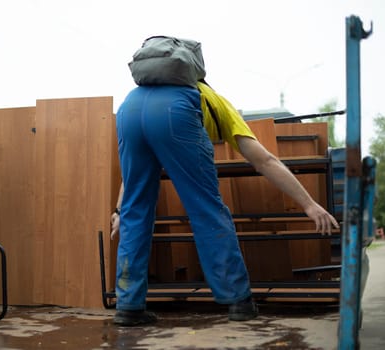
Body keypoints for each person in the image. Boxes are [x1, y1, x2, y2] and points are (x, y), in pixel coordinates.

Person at [110, 59, 339, 327]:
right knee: (206, 211)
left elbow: (131, 176)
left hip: (127, 113)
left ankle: (128, 308)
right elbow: (264, 160)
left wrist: (119, 210)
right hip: (176, 113)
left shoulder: (135, 97)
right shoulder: (211, 99)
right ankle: (238, 302)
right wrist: (309, 204)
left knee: (134, 215)